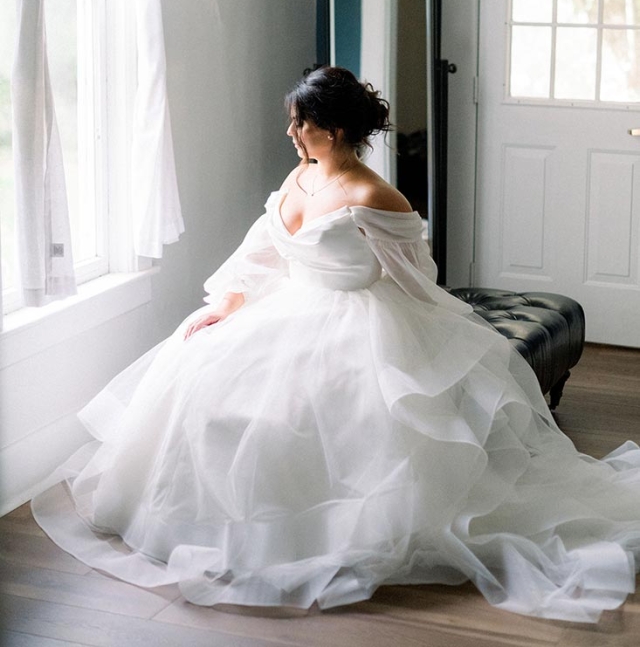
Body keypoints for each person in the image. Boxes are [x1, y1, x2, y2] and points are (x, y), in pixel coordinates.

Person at [32, 66, 640, 622]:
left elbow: (416, 280)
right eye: (294, 122)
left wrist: (445, 342)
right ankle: (213, 522)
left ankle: (316, 535)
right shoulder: (300, 175)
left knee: (328, 419)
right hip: (283, 310)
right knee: (194, 370)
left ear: (338, 129)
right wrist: (227, 302)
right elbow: (262, 247)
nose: (293, 134)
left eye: (305, 124)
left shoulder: (375, 197)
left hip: (356, 318)